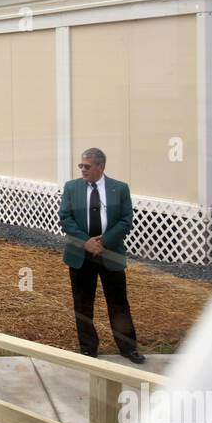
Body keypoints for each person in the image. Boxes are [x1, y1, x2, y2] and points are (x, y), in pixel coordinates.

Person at [57, 148, 144, 364]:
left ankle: (128, 348)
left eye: (87, 166)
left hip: (110, 253)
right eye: (81, 166)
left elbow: (126, 220)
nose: (82, 170)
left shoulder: (120, 189)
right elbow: (65, 218)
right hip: (80, 254)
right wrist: (86, 242)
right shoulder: (72, 187)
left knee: (118, 303)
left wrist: (103, 242)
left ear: (100, 167)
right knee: (83, 303)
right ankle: (88, 348)